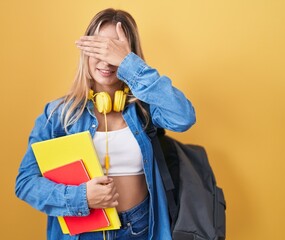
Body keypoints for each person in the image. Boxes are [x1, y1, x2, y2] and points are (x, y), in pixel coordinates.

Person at [15, 8, 196, 240]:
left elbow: (184, 117)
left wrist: (129, 65)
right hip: (83, 232)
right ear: (86, 51)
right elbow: (25, 183)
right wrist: (81, 197)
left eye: (114, 50)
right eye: (99, 48)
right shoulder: (58, 114)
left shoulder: (145, 109)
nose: (106, 60)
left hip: (139, 227)